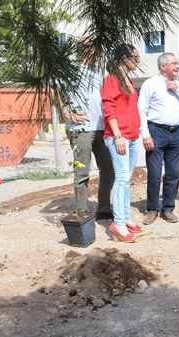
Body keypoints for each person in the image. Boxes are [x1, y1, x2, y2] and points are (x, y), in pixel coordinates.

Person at [138, 52, 179, 225]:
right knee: (155, 174)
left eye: (178, 63)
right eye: (174, 63)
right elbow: (141, 110)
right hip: (156, 132)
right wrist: (145, 135)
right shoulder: (151, 84)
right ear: (163, 66)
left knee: (173, 173)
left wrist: (177, 89)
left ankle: (168, 209)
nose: (178, 66)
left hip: (176, 133)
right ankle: (152, 209)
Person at [101, 44, 143, 243]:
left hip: (132, 137)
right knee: (122, 179)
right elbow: (109, 109)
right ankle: (117, 223)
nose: (138, 60)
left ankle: (126, 218)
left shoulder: (129, 80)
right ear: (123, 58)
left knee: (127, 180)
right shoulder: (111, 79)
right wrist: (117, 136)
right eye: (134, 57)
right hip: (120, 137)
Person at [63, 63, 114, 220]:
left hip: (101, 128)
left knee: (109, 170)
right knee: (82, 172)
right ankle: (82, 211)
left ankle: (104, 208)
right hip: (81, 128)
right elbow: (54, 91)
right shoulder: (70, 69)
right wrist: (66, 111)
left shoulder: (102, 70)